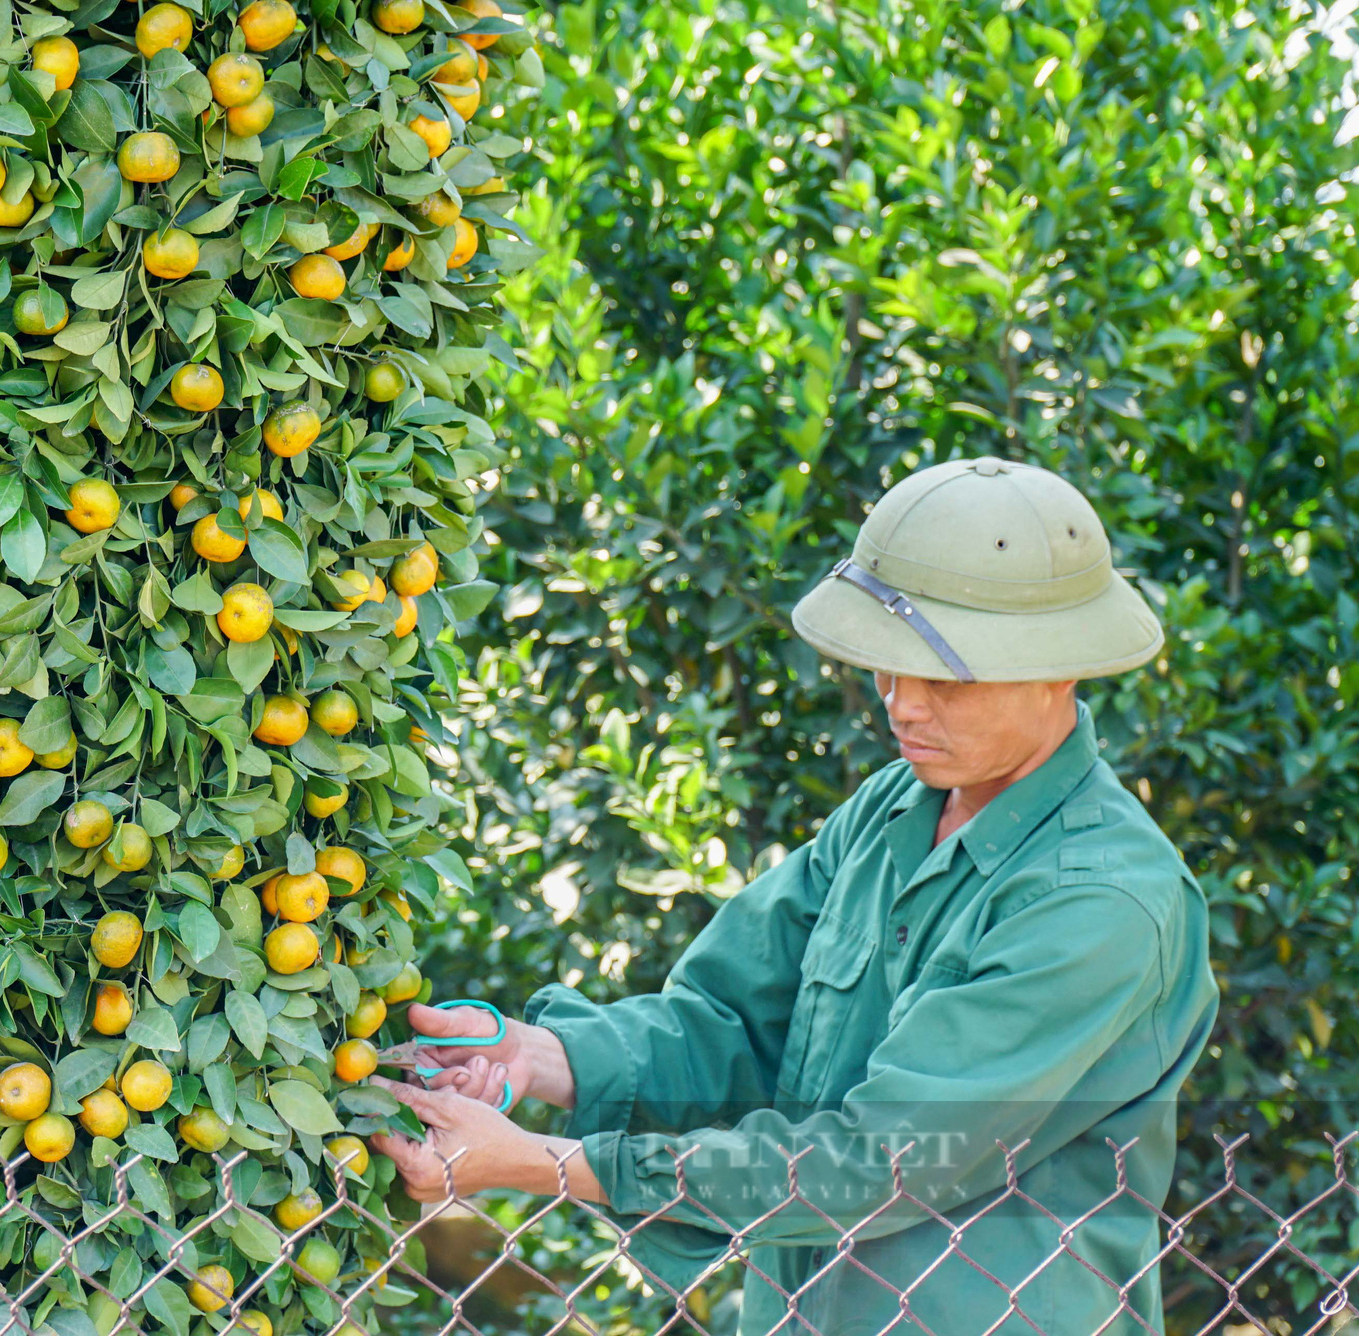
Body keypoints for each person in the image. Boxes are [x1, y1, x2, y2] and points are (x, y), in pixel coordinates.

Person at [369, 458, 1220, 1335]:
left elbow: (883, 1159)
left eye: (947, 678)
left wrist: (548, 1165)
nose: (902, 706)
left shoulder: (1104, 902)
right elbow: (732, 1027)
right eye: (887, 666)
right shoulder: (890, 811)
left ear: (1058, 670)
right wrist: (542, 1058)